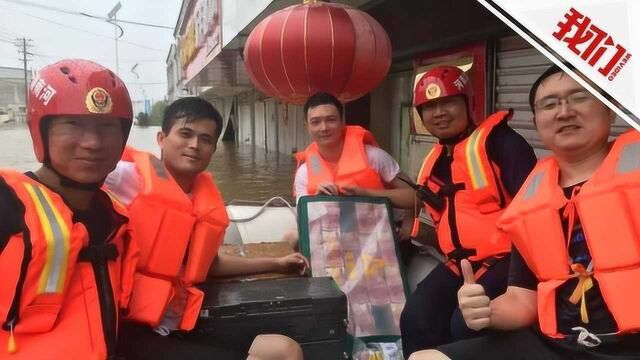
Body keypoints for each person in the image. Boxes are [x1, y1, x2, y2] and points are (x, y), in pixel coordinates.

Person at [411, 65, 640, 360]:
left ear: (610, 109)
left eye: (579, 97)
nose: (564, 111)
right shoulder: (533, 200)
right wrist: (487, 311)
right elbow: (522, 299)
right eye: (549, 104)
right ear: (536, 121)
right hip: (557, 344)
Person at [355, 65, 537, 357]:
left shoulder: (503, 144)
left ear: (468, 103)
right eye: (429, 107)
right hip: (459, 264)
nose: (438, 112)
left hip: (507, 261)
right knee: (415, 317)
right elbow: (433, 207)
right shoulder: (438, 159)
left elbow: (534, 213)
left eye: (448, 102)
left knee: (464, 325)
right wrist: (370, 196)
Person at [105, 97, 306, 359]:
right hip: (130, 331)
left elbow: (210, 264)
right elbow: (72, 176)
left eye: (206, 139)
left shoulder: (202, 200)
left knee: (286, 349)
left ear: (213, 149)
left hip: (179, 322)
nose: (194, 145)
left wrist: (277, 262)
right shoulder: (127, 178)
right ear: (161, 138)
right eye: (185, 134)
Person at [0, 59, 137, 359]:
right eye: (73, 124)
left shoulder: (114, 215)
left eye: (107, 127)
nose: (93, 143)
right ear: (41, 131)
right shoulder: (7, 204)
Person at [291, 91, 415, 241]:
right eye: (315, 122)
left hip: (380, 234)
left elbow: (415, 196)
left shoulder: (374, 157)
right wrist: (317, 202)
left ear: (342, 121)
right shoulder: (306, 171)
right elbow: (303, 220)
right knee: (292, 237)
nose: (324, 128)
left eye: (331, 120)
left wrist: (366, 193)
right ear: (307, 127)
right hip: (335, 238)